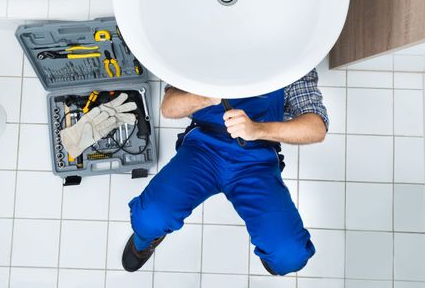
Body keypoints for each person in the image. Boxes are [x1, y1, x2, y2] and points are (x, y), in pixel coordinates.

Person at [122, 69, 329, 276]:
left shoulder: (293, 59)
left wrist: (257, 130)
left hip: (256, 160)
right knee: (150, 218)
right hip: (203, 149)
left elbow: (316, 128)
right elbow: (169, 108)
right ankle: (145, 242)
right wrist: (205, 96)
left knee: (288, 255)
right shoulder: (205, 48)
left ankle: (272, 249)